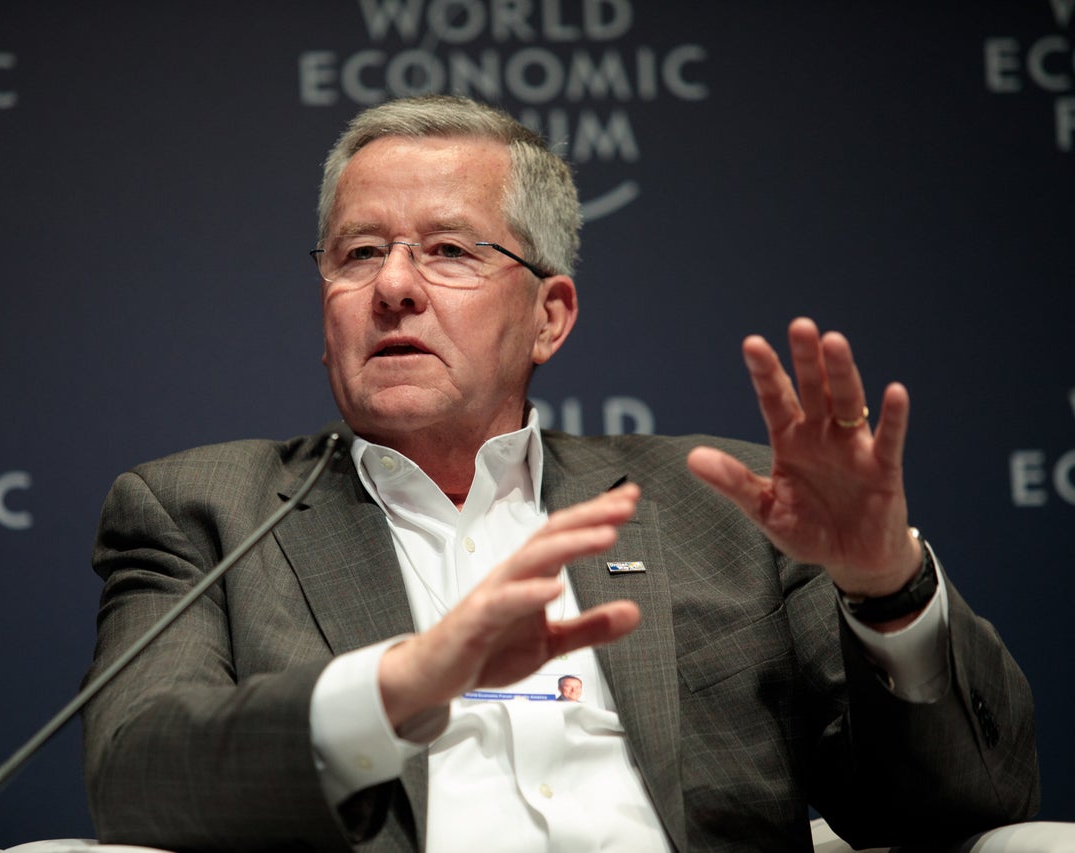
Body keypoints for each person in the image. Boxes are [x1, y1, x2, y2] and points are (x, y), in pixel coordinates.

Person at [81, 95, 1039, 852]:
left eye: (450, 250)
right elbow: (137, 778)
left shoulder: (728, 510)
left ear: (550, 315)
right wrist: (400, 682)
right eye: (358, 253)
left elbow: (961, 800)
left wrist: (885, 590)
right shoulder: (201, 511)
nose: (394, 285)